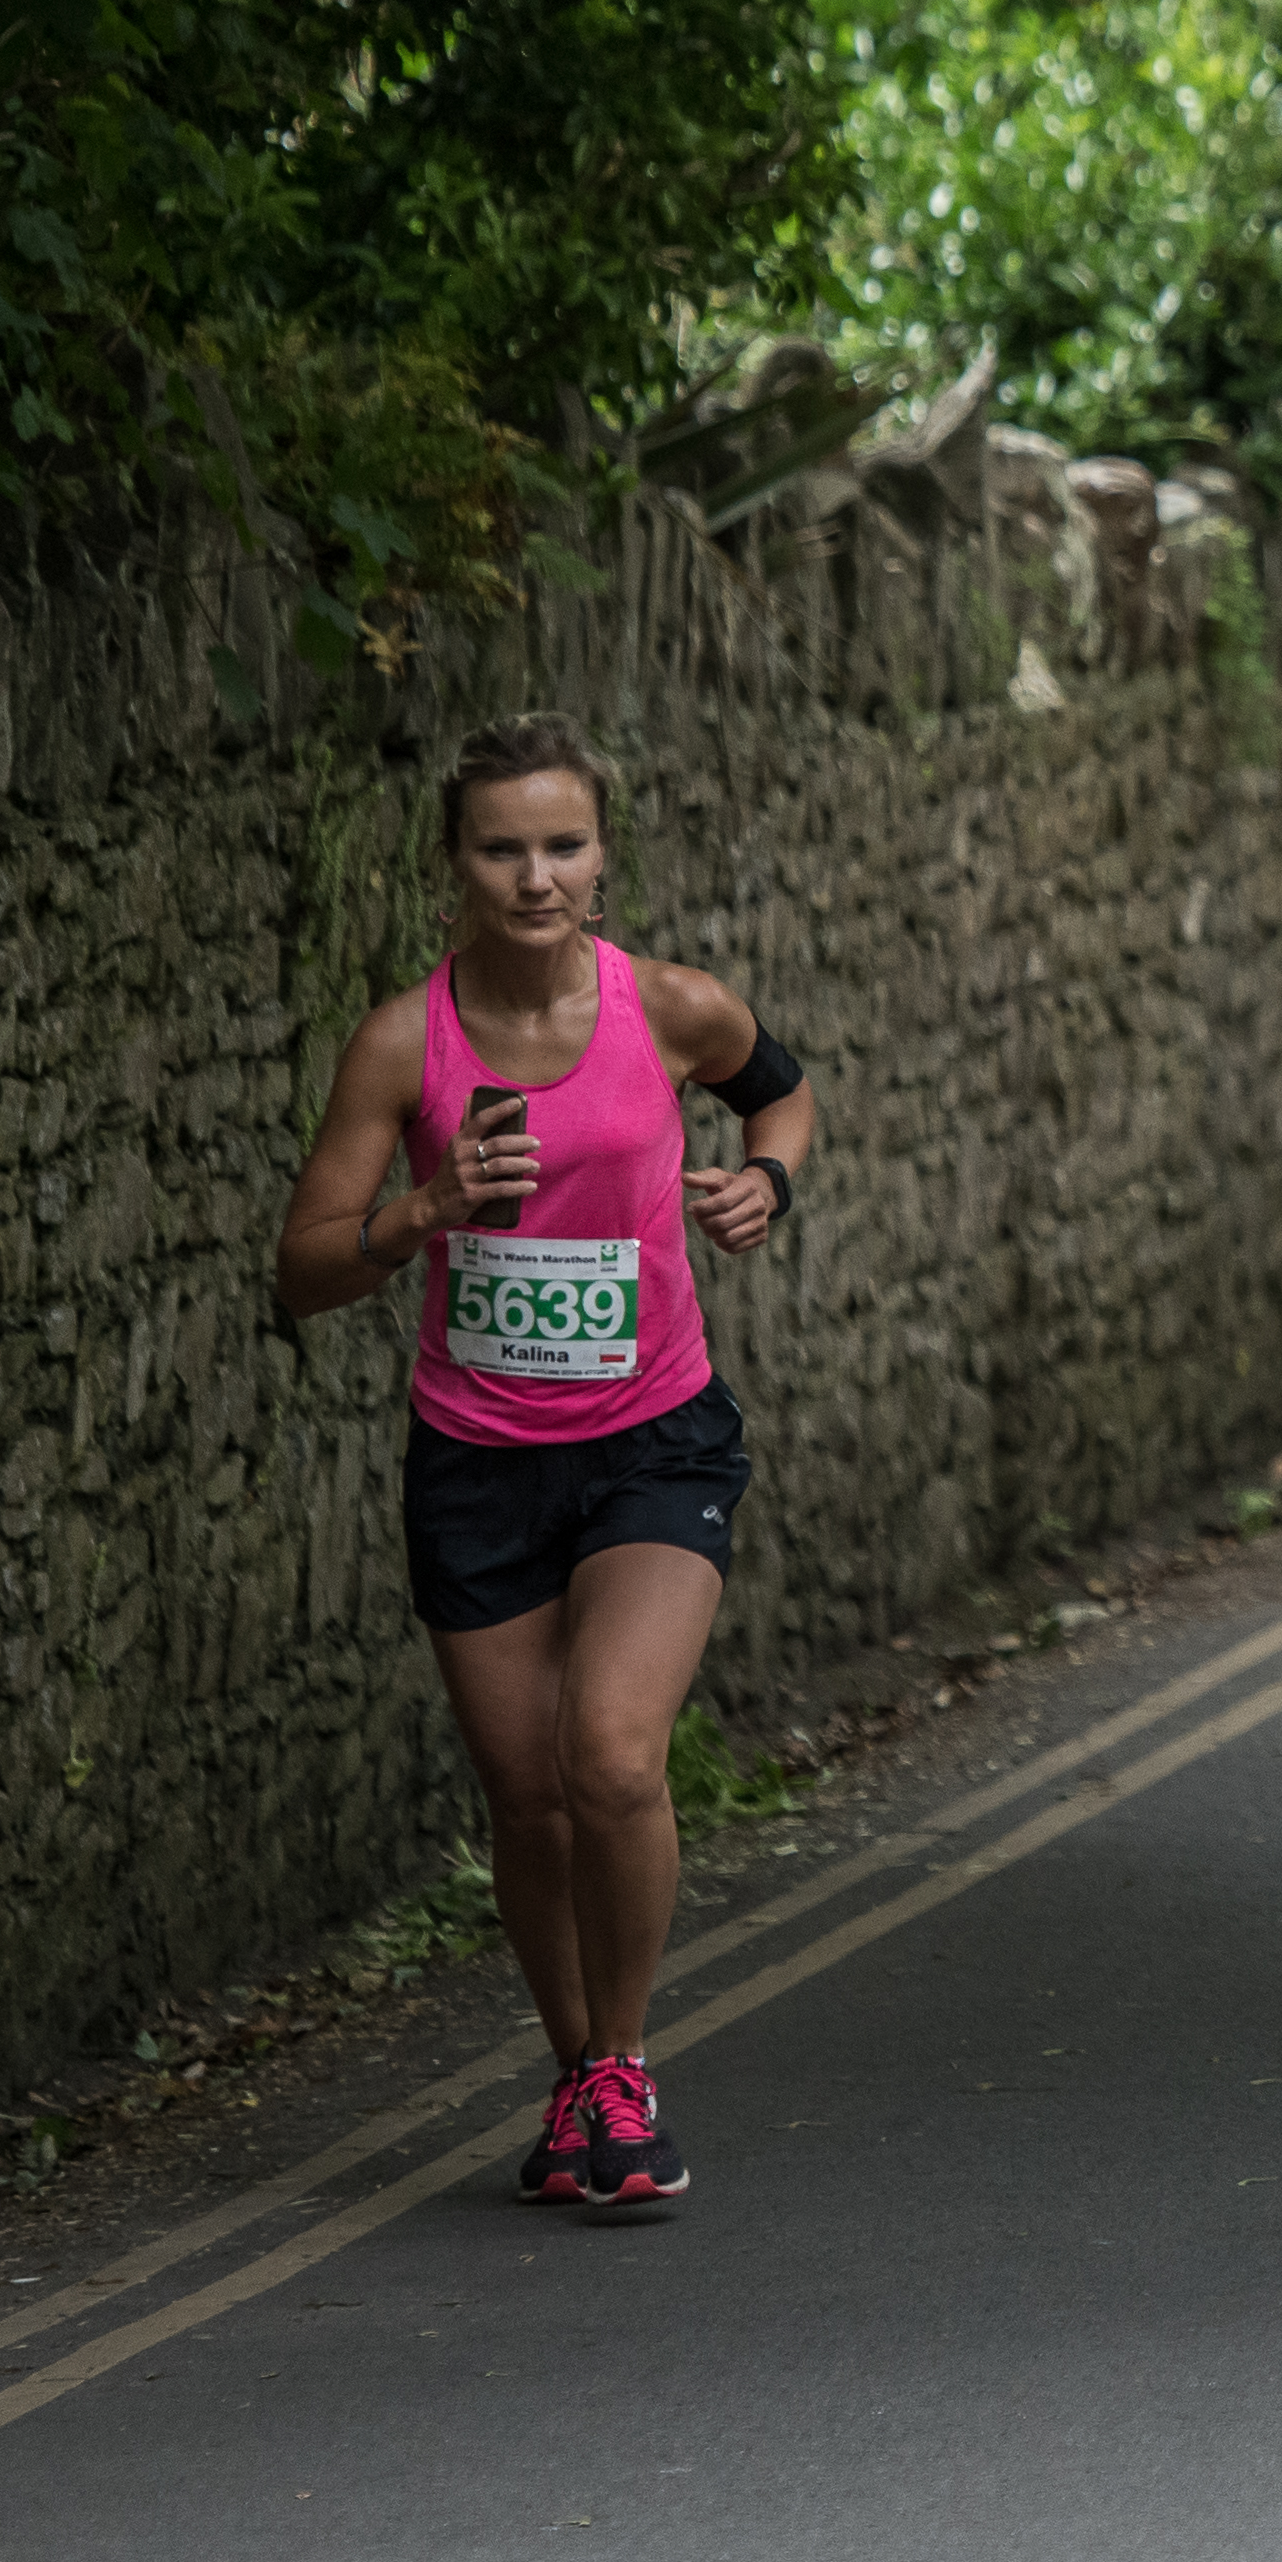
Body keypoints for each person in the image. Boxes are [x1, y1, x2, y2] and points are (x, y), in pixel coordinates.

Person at [274, 714, 815, 2210]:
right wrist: (427, 1208)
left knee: (611, 1758)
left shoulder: (673, 1008)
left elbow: (784, 1089)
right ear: (454, 865)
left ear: (601, 858)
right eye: (502, 848)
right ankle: (577, 2071)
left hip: (652, 1439)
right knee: (525, 1802)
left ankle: (624, 2062)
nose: (534, 876)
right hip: (477, 1462)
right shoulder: (404, 1041)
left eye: (561, 845)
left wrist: (765, 1178)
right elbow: (302, 1269)